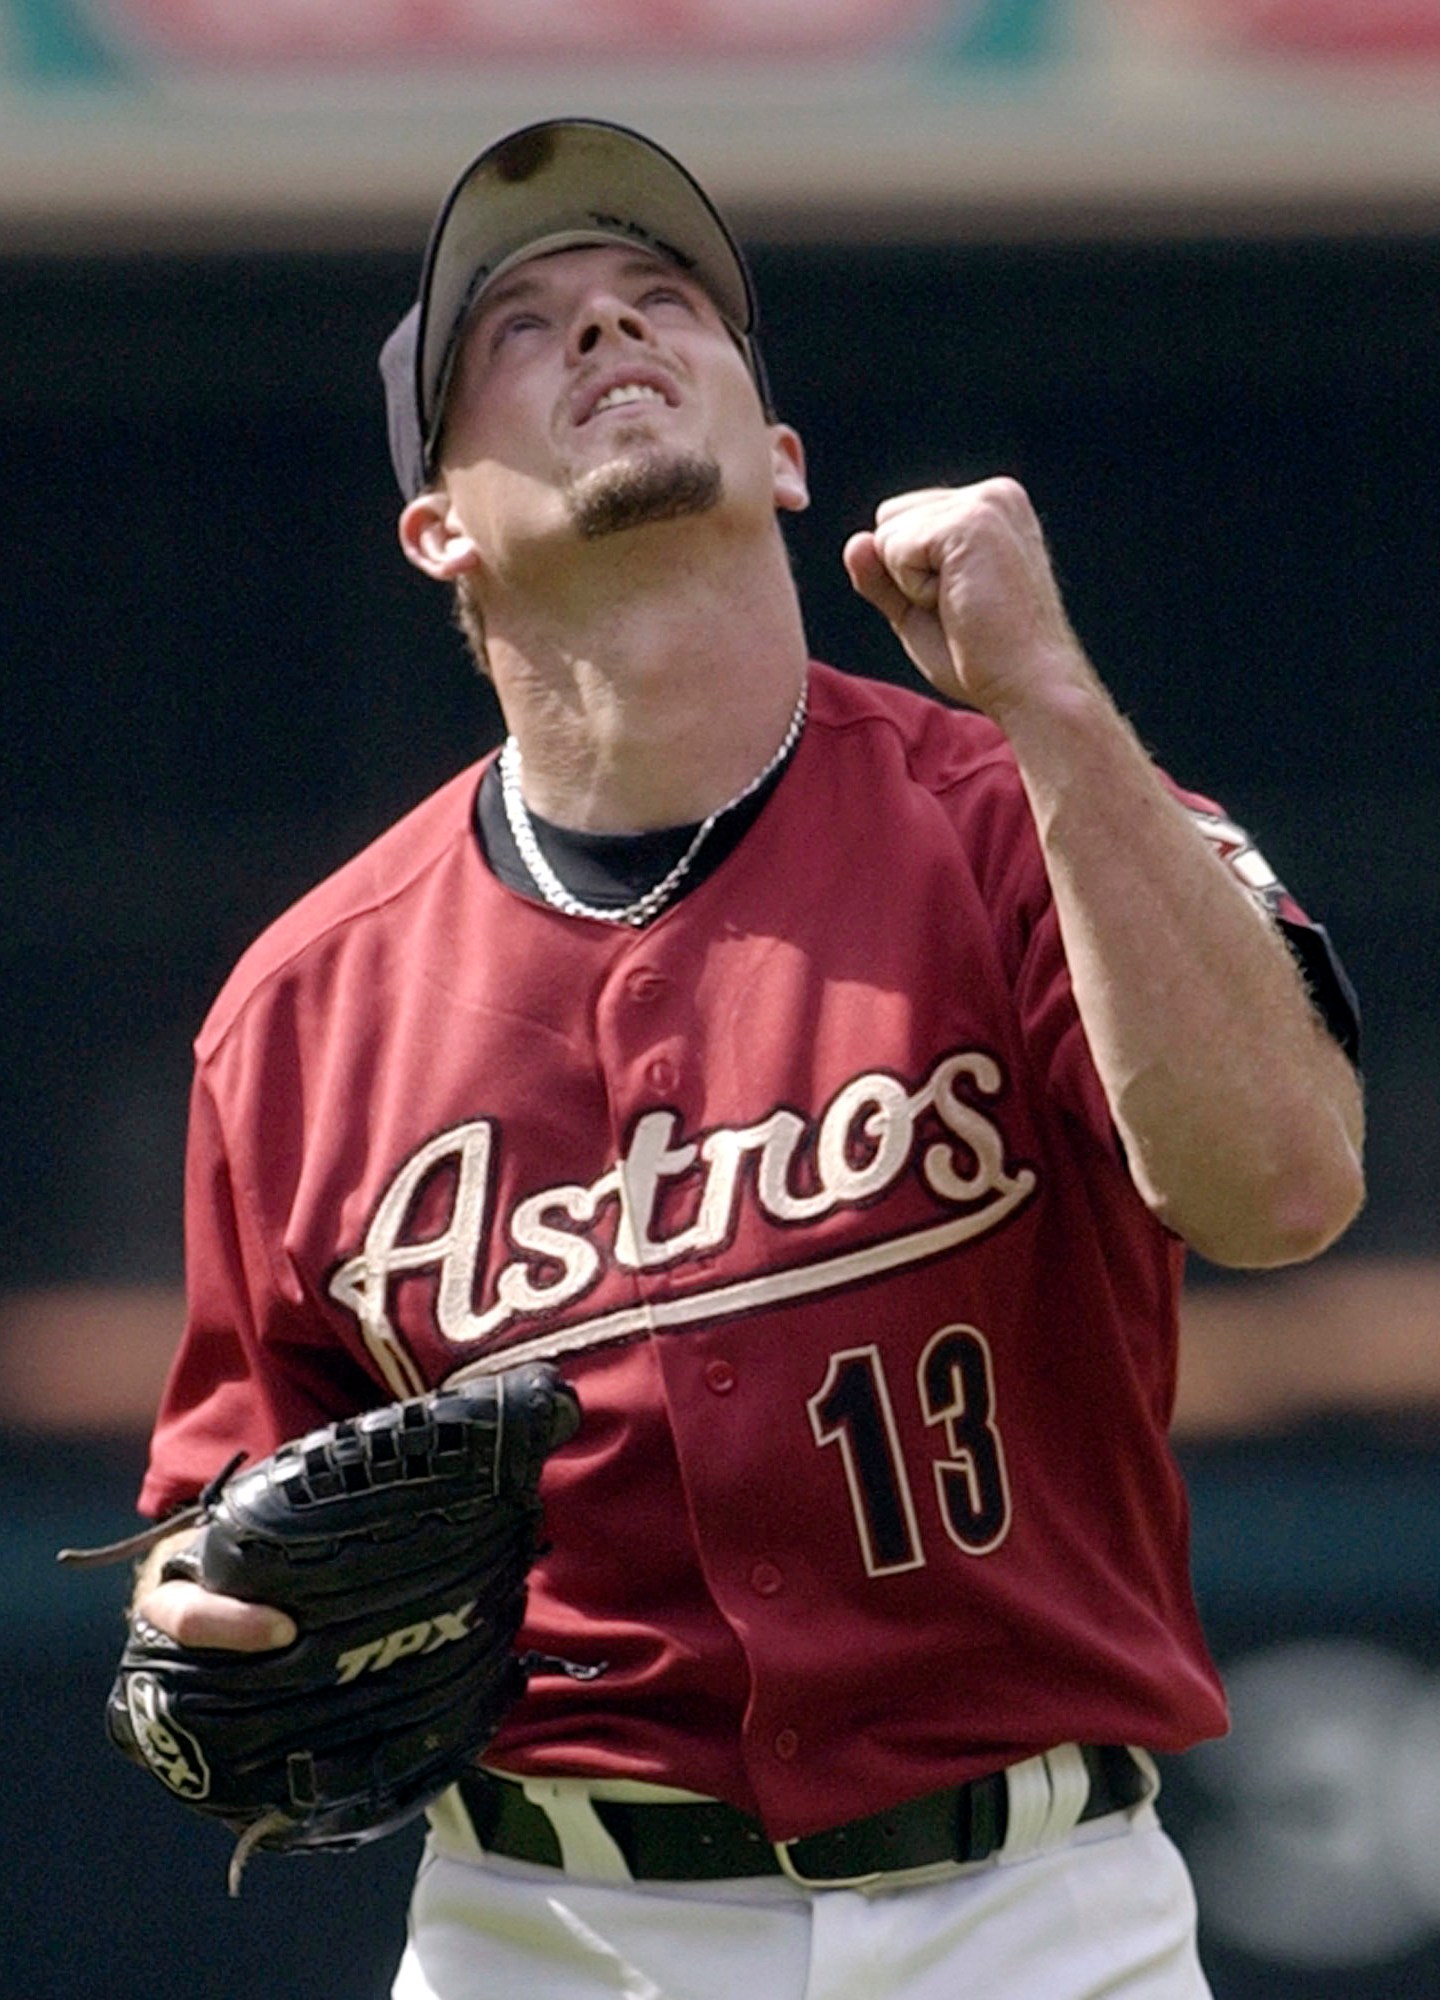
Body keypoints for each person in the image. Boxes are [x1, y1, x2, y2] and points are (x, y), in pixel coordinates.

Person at [129, 116, 1365, 2000]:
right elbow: (219, 1508)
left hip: (1037, 1916)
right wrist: (195, 1610)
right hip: (543, 1927)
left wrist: (1048, 700)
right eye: (525, 330)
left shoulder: (1027, 810)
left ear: (781, 455)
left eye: (662, 303)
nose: (612, 333)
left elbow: (1283, 1192)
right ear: (437, 525)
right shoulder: (304, 1007)